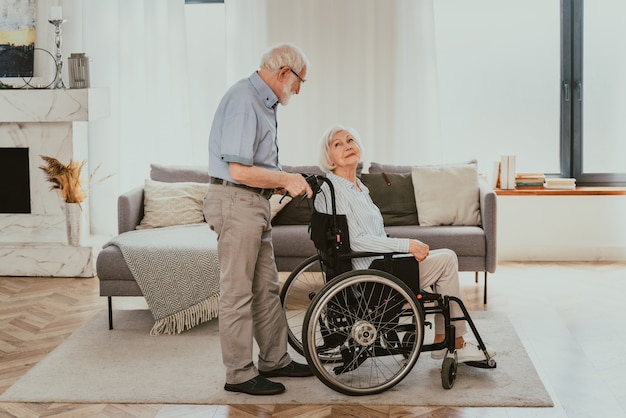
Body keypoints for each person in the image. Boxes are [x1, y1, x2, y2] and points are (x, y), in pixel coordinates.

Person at [315, 124, 496, 363]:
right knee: (447, 260)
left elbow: (372, 234)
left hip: (379, 264)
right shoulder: (333, 192)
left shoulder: (358, 188)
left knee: (442, 257)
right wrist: (405, 246)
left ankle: (447, 339)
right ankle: (456, 343)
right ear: (328, 157)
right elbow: (356, 242)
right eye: (338, 144)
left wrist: (401, 248)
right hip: (371, 275)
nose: (348, 146)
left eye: (350, 140)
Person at [204, 43, 314, 396]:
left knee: (266, 288)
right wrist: (285, 179)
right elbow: (238, 169)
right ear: (285, 74)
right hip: (236, 201)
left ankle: (275, 359)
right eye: (300, 82)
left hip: (253, 204)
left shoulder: (263, 103)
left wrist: (283, 179)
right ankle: (238, 374)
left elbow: (257, 165)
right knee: (237, 291)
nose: (298, 89)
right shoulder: (244, 99)